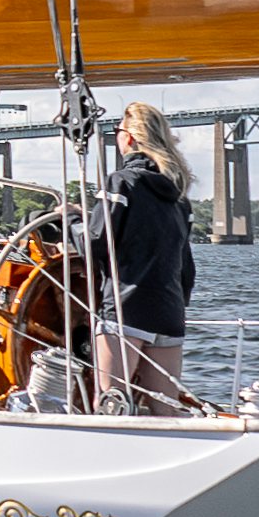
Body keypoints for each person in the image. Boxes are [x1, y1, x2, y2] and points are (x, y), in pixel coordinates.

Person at [99, 105, 196, 411]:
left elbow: (96, 241)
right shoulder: (179, 197)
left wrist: (71, 220)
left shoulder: (122, 182)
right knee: (165, 410)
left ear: (128, 138)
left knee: (112, 403)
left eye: (117, 131)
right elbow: (186, 269)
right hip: (169, 313)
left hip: (126, 310)